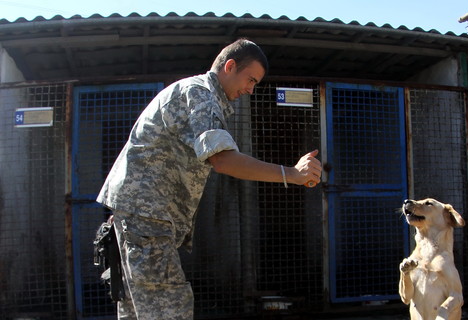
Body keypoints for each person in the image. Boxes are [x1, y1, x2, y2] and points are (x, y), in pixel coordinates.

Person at [96, 38, 322, 319]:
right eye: (250, 79)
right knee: (170, 308)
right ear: (229, 66)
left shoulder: (197, 93)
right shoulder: (200, 93)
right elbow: (223, 159)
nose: (251, 90)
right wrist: (292, 174)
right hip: (147, 217)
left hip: (140, 216)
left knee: (138, 311)